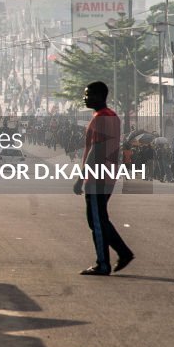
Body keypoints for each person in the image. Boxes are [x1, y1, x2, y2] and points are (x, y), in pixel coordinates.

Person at [74, 81, 133, 276]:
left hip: (97, 176)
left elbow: (96, 151)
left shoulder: (101, 117)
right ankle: (123, 253)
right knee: (98, 220)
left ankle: (103, 263)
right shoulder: (111, 116)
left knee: (97, 222)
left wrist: (81, 178)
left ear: (99, 96)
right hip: (106, 175)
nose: (85, 97)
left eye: (88, 94)